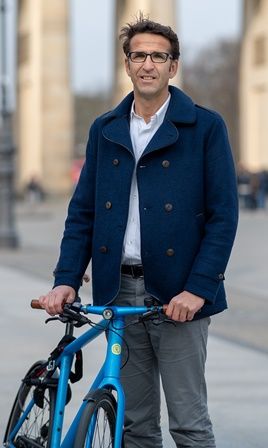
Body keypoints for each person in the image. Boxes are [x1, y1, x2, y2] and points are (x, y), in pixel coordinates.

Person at [38, 14, 238, 448]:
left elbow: (224, 216)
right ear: (127, 65)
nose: (148, 64)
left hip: (179, 295)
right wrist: (66, 279)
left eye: (158, 56)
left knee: (189, 423)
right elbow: (83, 212)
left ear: (173, 66)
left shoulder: (205, 127)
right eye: (139, 55)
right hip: (118, 291)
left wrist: (198, 289)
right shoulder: (104, 129)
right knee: (135, 425)